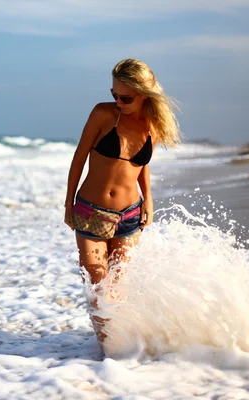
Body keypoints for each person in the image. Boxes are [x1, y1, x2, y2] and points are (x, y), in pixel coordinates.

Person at [63, 58, 181, 348]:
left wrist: (148, 201)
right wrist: (68, 203)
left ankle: (118, 348)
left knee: (117, 286)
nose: (118, 101)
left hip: (130, 215)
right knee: (97, 282)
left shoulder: (154, 125)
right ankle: (109, 352)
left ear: (144, 94)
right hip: (91, 211)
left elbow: (142, 165)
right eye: (114, 94)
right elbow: (79, 157)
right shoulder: (104, 114)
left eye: (125, 97)